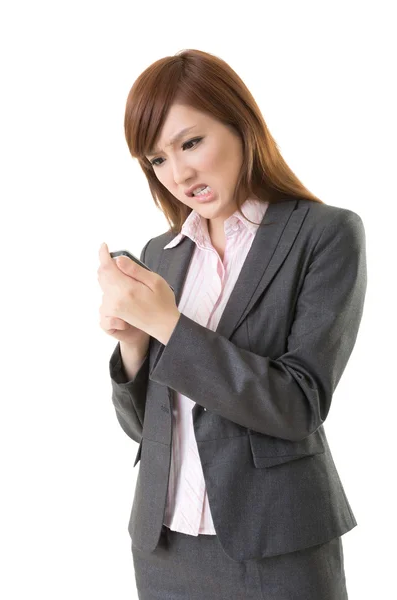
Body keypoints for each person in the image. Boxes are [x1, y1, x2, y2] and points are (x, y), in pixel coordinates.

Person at [97, 48, 367, 599]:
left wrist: (170, 325)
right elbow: (144, 429)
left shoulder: (325, 234)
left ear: (242, 124)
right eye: (158, 160)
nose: (179, 173)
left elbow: (298, 404)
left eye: (191, 143)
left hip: (279, 544)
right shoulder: (162, 252)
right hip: (165, 546)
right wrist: (132, 345)